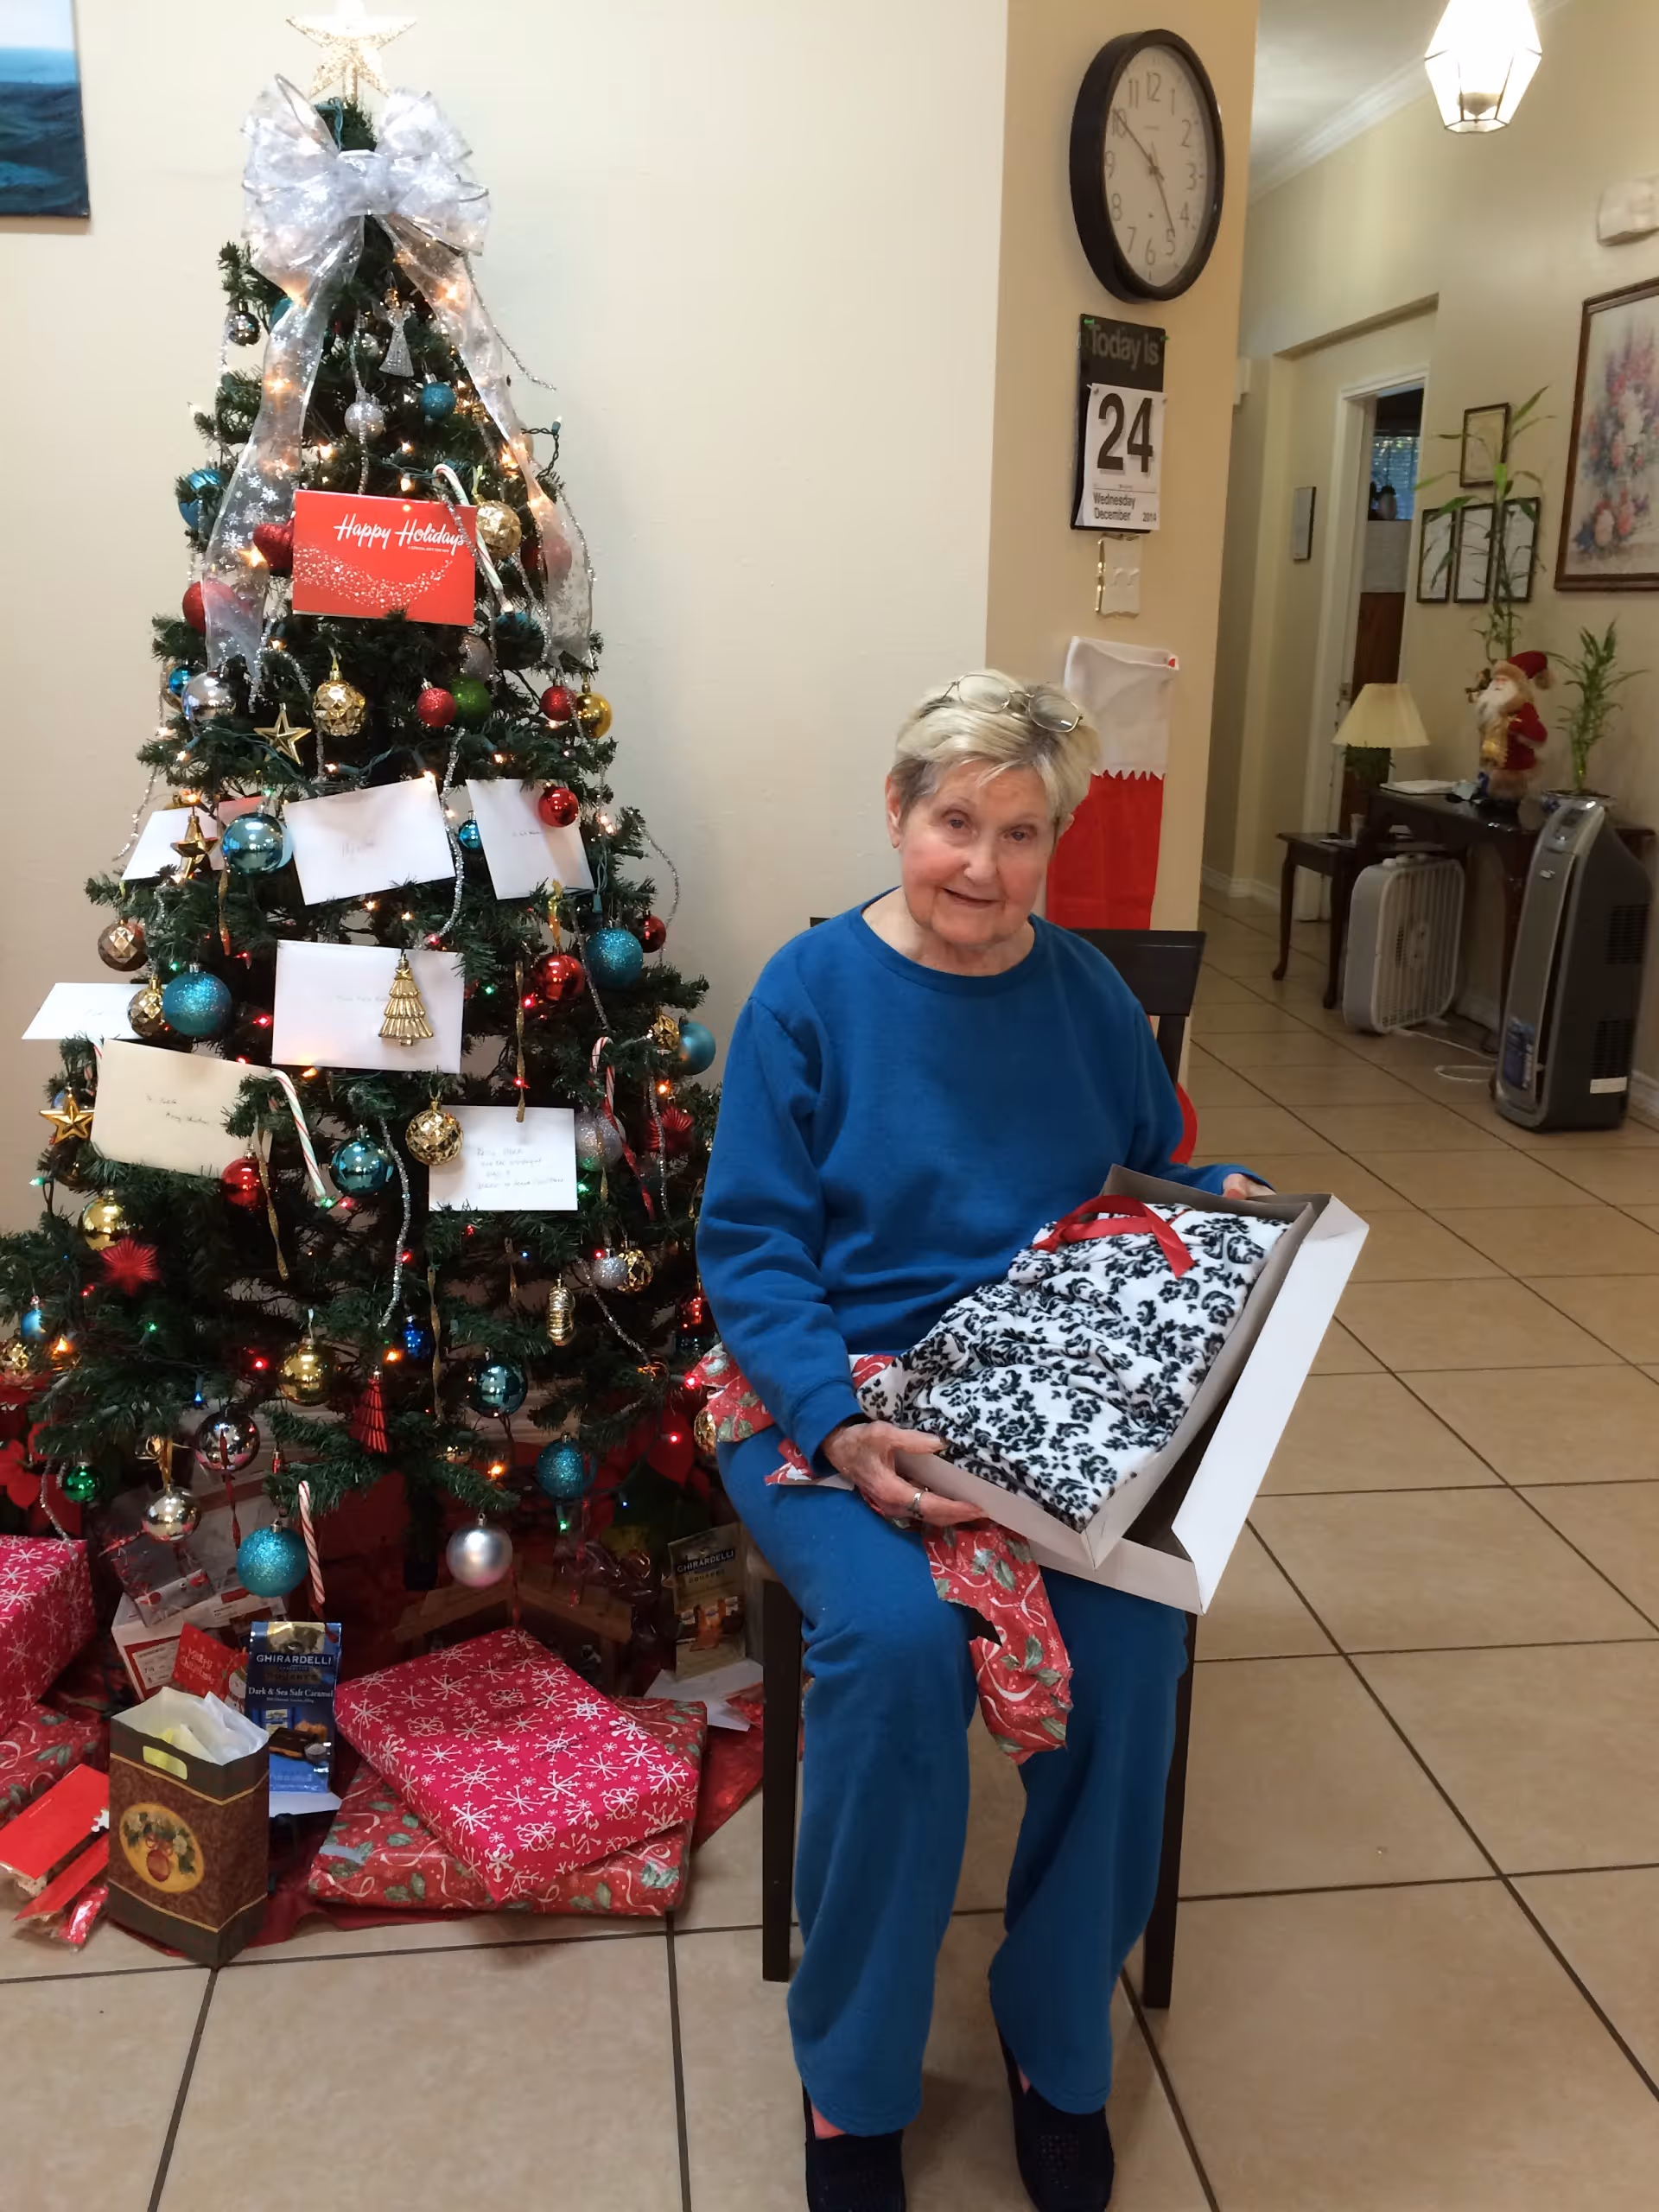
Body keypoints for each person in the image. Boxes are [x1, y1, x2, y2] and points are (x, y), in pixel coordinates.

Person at [696, 671, 1266, 2212]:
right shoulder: (809, 993)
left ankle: (1050, 2028)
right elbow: (750, 1250)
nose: (983, 866)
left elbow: (1150, 1179)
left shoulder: (1084, 993)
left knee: (1136, 1652)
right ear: (898, 814)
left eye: (1022, 835)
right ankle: (858, 2081)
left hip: (1038, 1394)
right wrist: (834, 1418)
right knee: (893, 1652)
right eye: (955, 821)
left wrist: (1223, 1222)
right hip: (826, 1389)